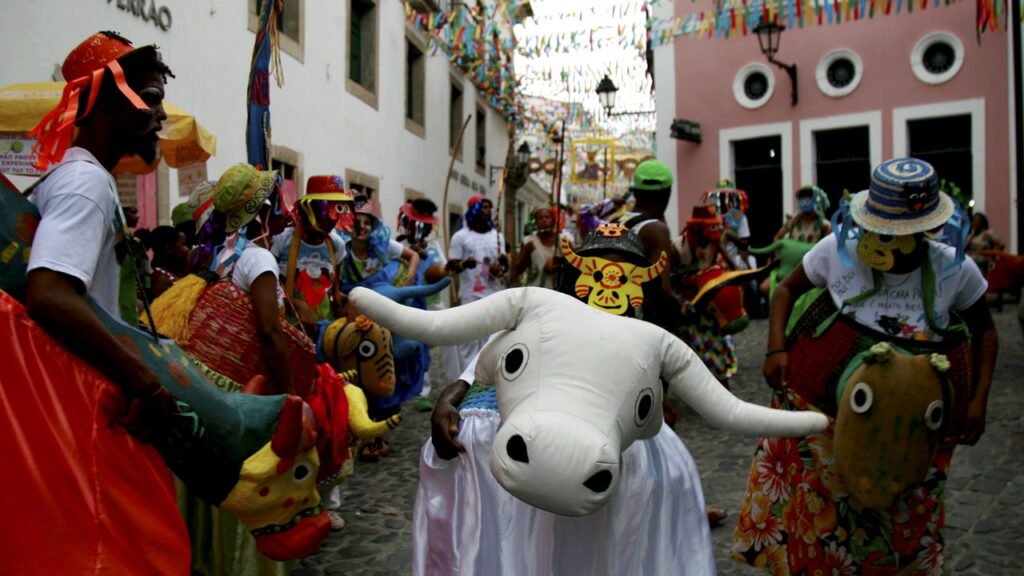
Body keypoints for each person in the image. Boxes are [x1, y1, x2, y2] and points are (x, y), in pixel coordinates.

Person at [733, 158, 998, 574]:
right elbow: (785, 290)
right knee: (821, 526)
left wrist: (979, 400)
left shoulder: (953, 268)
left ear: (925, 229)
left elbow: (985, 332)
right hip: (826, 415)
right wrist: (775, 349)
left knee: (899, 528)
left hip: (909, 433)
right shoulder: (839, 251)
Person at [417, 224, 715, 575]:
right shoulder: (536, 317)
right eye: (597, 271)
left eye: (624, 274)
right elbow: (479, 367)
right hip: (505, 464)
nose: (609, 283)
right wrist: (447, 401)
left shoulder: (645, 340)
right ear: (576, 277)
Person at [4, 31, 189, 574]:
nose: (160, 115)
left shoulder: (79, 177)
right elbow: (50, 294)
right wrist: (144, 382)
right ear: (109, 101)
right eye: (151, 98)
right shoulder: (87, 182)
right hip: (87, 408)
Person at [271, 175, 350, 332]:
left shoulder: (337, 245)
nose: (333, 219)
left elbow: (334, 289)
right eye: (327, 210)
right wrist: (296, 304)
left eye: (338, 209)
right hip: (290, 329)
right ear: (310, 209)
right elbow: (270, 288)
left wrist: (345, 301)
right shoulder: (282, 239)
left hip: (325, 329)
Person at [444, 195, 508, 376]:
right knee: (470, 340)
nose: (488, 211)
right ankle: (468, 381)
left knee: (493, 339)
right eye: (483, 207)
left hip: (494, 293)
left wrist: (501, 265)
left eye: (489, 208)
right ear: (473, 209)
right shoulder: (461, 237)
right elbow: (452, 267)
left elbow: (504, 265)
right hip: (470, 295)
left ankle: (490, 379)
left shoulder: (497, 236)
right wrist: (464, 264)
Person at [510, 203, 560, 289]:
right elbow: (518, 269)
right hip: (536, 290)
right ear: (535, 222)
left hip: (559, 291)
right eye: (540, 218)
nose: (544, 220)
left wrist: (557, 265)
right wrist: (525, 252)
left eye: (547, 217)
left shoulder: (563, 240)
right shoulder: (529, 241)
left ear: (553, 220)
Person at [143, 224, 188, 299]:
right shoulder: (161, 279)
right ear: (168, 249)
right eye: (183, 244)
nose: (187, 249)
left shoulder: (172, 272)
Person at [966, 212, 1004, 276]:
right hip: (972, 266)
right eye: (974, 221)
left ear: (982, 223)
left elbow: (1001, 245)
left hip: (984, 266)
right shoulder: (970, 236)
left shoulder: (987, 234)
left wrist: (992, 254)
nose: (976, 223)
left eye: (978, 221)